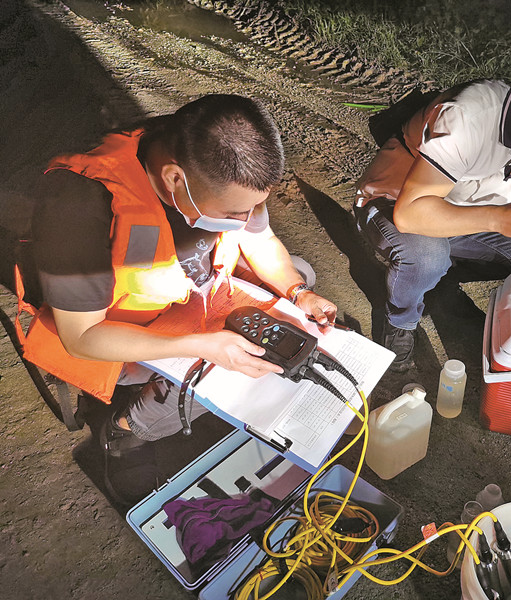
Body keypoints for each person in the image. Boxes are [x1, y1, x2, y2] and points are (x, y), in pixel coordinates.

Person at [27, 94, 337, 504]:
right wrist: (199, 346)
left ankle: (201, 383)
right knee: (208, 369)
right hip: (119, 331)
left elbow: (259, 239)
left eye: (253, 207)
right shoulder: (79, 202)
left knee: (298, 276)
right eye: (233, 212)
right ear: (175, 179)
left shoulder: (216, 164)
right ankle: (126, 429)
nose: (245, 220)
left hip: (194, 298)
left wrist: (300, 292)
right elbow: (81, 337)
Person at [353, 57, 511, 371]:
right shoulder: (470, 116)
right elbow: (410, 214)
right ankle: (400, 319)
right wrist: (498, 219)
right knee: (427, 256)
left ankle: (433, 276)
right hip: (392, 202)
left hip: (462, 213)